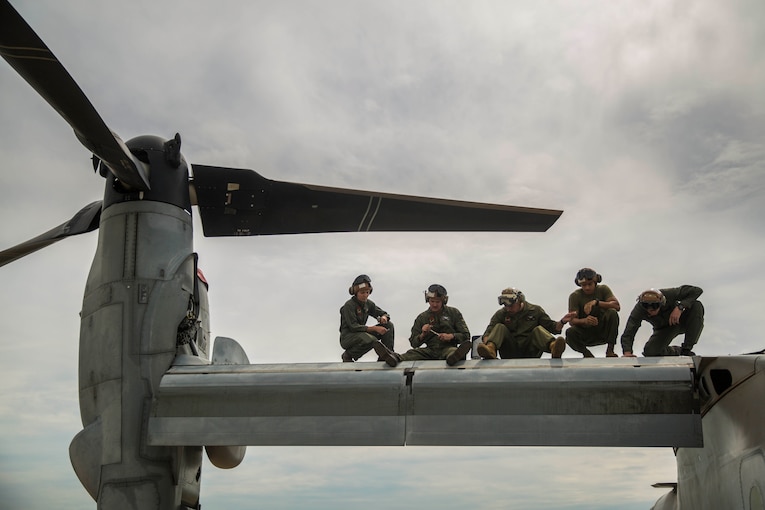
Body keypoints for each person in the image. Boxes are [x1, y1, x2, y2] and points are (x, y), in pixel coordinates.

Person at [476, 287, 576, 359]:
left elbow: (554, 328)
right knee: (499, 327)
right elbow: (489, 332)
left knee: (538, 330)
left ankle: (554, 348)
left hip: (530, 350)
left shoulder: (535, 310)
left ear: (520, 301)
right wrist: (486, 344)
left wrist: (563, 321)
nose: (508, 308)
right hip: (510, 350)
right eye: (505, 305)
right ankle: (490, 350)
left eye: (511, 305)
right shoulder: (501, 314)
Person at [398, 284, 473, 366]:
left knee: (453, 353)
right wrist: (423, 335)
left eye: (437, 302)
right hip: (429, 351)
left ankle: (454, 358)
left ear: (443, 301)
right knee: (410, 353)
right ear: (427, 300)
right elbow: (413, 343)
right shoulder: (422, 317)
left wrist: (451, 336)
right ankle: (393, 358)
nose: (434, 304)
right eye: (432, 301)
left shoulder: (453, 313)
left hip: (448, 349)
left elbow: (466, 335)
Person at [620, 286, 704, 357]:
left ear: (662, 302)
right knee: (650, 352)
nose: (650, 309)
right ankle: (676, 351)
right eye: (646, 306)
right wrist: (627, 352)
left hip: (681, 320)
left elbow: (697, 291)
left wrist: (680, 307)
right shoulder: (639, 310)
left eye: (654, 306)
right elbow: (629, 330)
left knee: (696, 306)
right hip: (664, 329)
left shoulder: (669, 294)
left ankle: (687, 349)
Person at [339, 274, 398, 366]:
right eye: (362, 293)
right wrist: (374, 328)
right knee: (371, 339)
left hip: (362, 333)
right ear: (356, 292)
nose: (365, 295)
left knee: (388, 325)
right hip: (348, 336)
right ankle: (348, 355)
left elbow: (383, 313)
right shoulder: (349, 306)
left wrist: (384, 317)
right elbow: (354, 327)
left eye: (367, 292)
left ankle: (387, 354)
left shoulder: (368, 304)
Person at [565, 268, 621, 358]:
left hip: (602, 329)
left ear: (595, 282)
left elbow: (616, 306)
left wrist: (597, 303)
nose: (587, 287)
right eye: (583, 285)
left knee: (612, 313)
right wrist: (584, 321)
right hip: (586, 333)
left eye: (589, 284)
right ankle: (586, 354)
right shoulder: (575, 296)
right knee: (570, 333)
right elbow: (572, 321)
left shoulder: (603, 289)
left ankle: (610, 350)